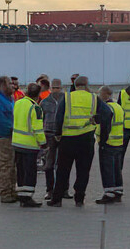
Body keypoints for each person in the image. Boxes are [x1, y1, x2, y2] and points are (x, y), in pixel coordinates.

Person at [49, 76, 111, 207]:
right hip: (86, 139)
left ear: (75, 85)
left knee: (62, 170)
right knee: (83, 170)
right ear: (86, 85)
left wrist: (58, 135)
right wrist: (97, 122)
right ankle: (79, 198)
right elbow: (108, 113)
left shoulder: (67, 97)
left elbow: (58, 117)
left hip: (67, 139)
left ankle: (57, 199)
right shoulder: (94, 98)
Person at [12, 83, 47, 207]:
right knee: (30, 172)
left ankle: (21, 195)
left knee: (20, 171)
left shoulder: (18, 103)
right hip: (29, 145)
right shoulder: (35, 108)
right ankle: (27, 197)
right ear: (38, 95)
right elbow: (38, 129)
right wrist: (43, 143)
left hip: (16, 143)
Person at [96, 86, 124, 204]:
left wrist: (101, 141)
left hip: (108, 142)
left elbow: (104, 127)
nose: (98, 96)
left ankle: (109, 193)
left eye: (100, 94)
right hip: (119, 142)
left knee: (107, 169)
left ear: (106, 95)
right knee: (116, 169)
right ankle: (118, 191)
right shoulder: (118, 107)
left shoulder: (106, 108)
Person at [40, 78, 63, 200]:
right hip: (49, 135)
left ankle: (63, 189)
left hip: (63, 135)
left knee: (63, 164)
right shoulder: (44, 102)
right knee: (48, 164)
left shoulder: (66, 100)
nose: (56, 90)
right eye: (54, 88)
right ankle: (49, 190)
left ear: (61, 88)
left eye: (58, 88)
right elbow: (40, 120)